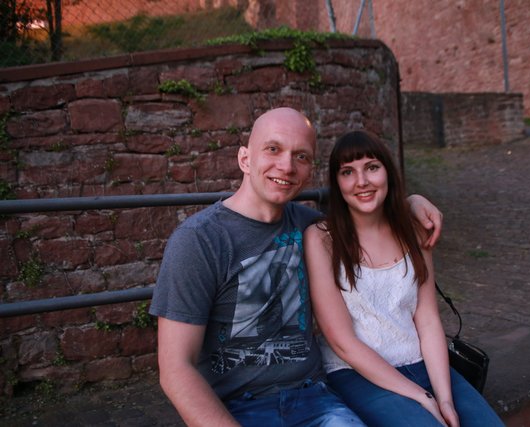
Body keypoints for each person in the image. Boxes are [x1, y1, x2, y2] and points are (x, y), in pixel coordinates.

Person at [149, 108, 443, 427]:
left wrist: (411, 203)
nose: (287, 166)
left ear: (309, 170)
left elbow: (370, 215)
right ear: (245, 159)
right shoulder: (199, 240)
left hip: (315, 398)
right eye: (273, 149)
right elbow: (176, 369)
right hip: (238, 407)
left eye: (300, 156)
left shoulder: (314, 230)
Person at [304, 130, 504, 427]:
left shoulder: (413, 230)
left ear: (388, 172)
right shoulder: (322, 239)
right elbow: (342, 341)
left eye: (372, 167)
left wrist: (444, 398)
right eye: (348, 172)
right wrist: (422, 397)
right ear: (337, 182)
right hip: (356, 373)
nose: (362, 181)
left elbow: (428, 319)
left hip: (420, 361)